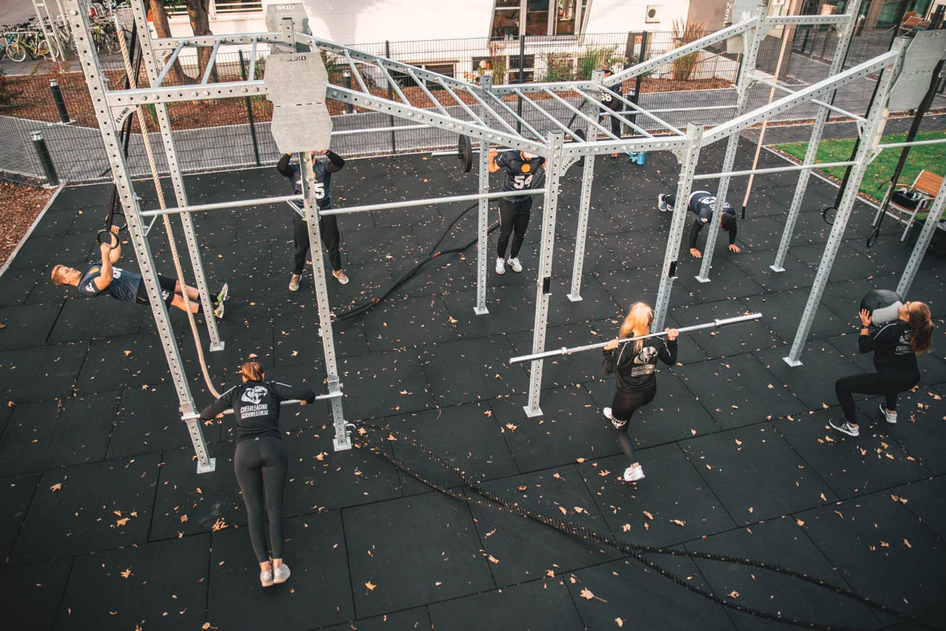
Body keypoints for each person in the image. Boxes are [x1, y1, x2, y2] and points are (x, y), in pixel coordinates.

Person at [200, 361, 316, 587]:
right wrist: (307, 399)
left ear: (243, 378)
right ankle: (279, 568)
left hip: (245, 453)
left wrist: (215, 414)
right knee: (274, 508)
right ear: (262, 375)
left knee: (254, 510)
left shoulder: (234, 392)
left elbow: (205, 414)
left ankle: (265, 571)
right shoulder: (271, 388)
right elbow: (306, 393)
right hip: (272, 448)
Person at [51, 226, 227, 318]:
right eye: (67, 271)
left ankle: (215, 298)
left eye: (68, 267)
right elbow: (106, 278)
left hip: (141, 280)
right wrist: (103, 255)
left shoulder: (90, 269)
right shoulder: (85, 287)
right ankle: (212, 311)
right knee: (177, 300)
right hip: (138, 291)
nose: (72, 269)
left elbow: (113, 257)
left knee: (179, 286)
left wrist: (113, 236)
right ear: (65, 281)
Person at [830, 301, 934, 437]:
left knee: (842, 385)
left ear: (907, 315)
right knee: (893, 381)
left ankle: (851, 426)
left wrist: (865, 325)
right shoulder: (918, 329)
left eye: (908, 305)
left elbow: (864, 346)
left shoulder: (890, 328)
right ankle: (890, 412)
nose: (906, 302)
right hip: (911, 377)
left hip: (889, 378)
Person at [602, 302, 679, 482]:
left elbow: (609, 370)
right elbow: (671, 359)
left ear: (631, 321)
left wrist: (607, 351)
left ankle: (635, 468)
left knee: (620, 429)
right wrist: (672, 340)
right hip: (648, 392)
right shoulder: (658, 340)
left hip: (627, 398)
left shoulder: (625, 346)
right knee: (621, 414)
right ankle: (616, 415)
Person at [277, 150, 349, 291]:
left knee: (333, 246)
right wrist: (289, 153)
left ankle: (337, 270)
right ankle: (296, 274)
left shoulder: (323, 167)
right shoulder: (295, 169)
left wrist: (327, 151)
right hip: (302, 213)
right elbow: (281, 168)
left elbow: (339, 164)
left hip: (324, 211)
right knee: (300, 249)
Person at [489, 147, 546, 275]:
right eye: (528, 156)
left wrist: (551, 155)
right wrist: (490, 156)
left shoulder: (537, 158)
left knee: (520, 233)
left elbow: (547, 167)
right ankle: (500, 259)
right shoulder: (510, 156)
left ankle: (513, 258)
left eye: (532, 157)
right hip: (508, 201)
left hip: (525, 200)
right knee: (505, 233)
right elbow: (492, 168)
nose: (530, 159)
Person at [657, 190, 741, 259]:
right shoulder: (705, 214)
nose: (719, 226)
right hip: (694, 198)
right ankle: (664, 197)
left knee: (683, 207)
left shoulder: (730, 211)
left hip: (706, 196)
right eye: (720, 225)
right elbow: (695, 230)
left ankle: (673, 204)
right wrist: (692, 248)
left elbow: (733, 227)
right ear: (719, 219)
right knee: (679, 204)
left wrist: (732, 243)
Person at [600, 67, 624, 157]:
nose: (603, 76)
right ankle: (588, 145)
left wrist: (608, 111)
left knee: (616, 126)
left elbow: (617, 99)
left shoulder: (616, 81)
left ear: (608, 73)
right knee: (593, 122)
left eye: (604, 74)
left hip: (615, 107)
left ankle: (616, 149)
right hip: (603, 104)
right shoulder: (599, 78)